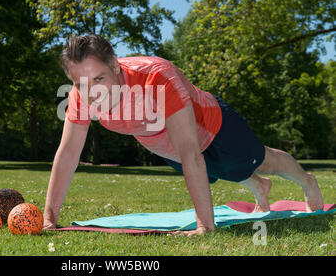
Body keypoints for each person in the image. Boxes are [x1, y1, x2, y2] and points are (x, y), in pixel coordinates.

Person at [43, 34, 324, 236]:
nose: (93, 92)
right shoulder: (81, 96)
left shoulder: (156, 78)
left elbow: (191, 150)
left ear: (115, 66)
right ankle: (259, 188)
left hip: (213, 126)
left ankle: (305, 180)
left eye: (99, 79)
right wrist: (49, 218)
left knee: (261, 161)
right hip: (166, 146)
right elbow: (67, 154)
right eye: (80, 83)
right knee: (220, 171)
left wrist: (205, 226)